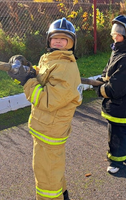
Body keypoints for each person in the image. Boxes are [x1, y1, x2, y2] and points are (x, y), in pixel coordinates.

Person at [7, 18, 83, 200]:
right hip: (46, 130)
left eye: (63, 39)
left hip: (50, 132)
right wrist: (27, 70)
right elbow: (42, 77)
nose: (58, 41)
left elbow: (47, 100)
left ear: (70, 43)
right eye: (55, 38)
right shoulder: (51, 59)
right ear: (49, 40)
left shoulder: (66, 68)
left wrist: (26, 81)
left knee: (46, 180)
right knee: (53, 172)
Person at [94, 15, 126, 174]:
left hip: (123, 107)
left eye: (118, 33)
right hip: (123, 107)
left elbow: (116, 88)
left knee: (117, 134)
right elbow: (108, 72)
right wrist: (100, 79)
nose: (114, 36)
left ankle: (116, 162)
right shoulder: (118, 52)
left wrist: (99, 89)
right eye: (113, 33)